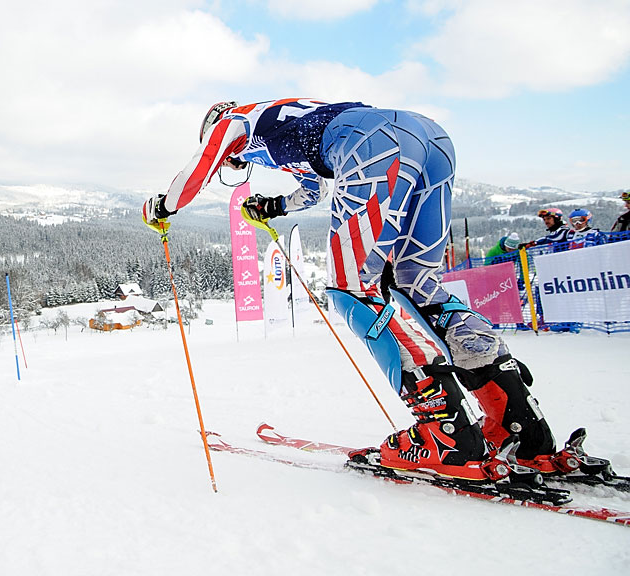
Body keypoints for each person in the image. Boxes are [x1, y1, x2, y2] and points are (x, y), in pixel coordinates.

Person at [142, 99, 606, 483]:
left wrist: (162, 205)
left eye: (232, 158)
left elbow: (199, 167)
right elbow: (310, 187)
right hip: (428, 138)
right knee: (419, 286)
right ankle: (521, 430)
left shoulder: (234, 120)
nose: (233, 162)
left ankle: (445, 436)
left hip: (370, 144)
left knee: (350, 288)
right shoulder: (283, 124)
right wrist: (275, 205)